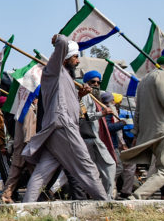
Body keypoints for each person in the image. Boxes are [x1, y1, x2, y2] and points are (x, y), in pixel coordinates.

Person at [21, 35, 107, 202]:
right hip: (63, 126)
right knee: (87, 166)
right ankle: (106, 202)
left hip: (59, 127)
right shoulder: (54, 70)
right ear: (65, 56)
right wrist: (59, 38)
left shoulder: (64, 76)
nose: (77, 61)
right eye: (75, 57)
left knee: (42, 172)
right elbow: (62, 43)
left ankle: (27, 206)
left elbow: (65, 101)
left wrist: (79, 96)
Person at [121, 55, 164, 199]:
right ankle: (137, 197)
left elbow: (138, 111)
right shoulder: (162, 76)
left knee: (160, 169)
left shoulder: (144, 81)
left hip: (150, 133)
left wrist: (136, 133)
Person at [80, 70, 117, 199]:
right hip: (87, 138)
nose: (96, 84)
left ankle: (106, 198)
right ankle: (106, 198)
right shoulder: (84, 96)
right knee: (106, 166)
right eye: (92, 82)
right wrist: (102, 113)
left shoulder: (96, 96)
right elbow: (83, 117)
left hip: (94, 138)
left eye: (98, 82)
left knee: (106, 167)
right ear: (86, 82)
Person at [1, 98, 37, 203]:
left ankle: (6, 196)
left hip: (20, 148)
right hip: (26, 147)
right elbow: (28, 130)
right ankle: (37, 197)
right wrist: (30, 148)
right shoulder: (28, 110)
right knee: (36, 174)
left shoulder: (21, 109)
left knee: (14, 174)